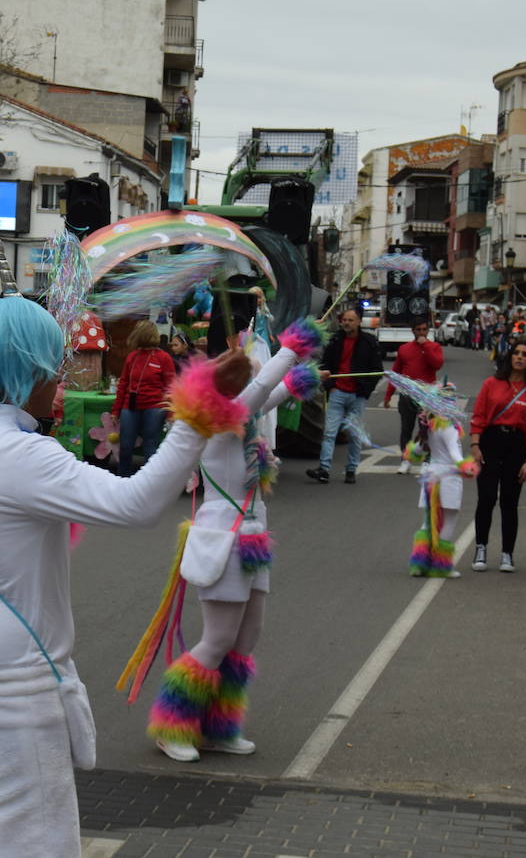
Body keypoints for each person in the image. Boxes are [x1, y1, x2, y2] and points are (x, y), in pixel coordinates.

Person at [0, 296, 250, 858]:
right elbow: (138, 503)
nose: (61, 378)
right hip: (11, 694)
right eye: (55, 364)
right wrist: (196, 407)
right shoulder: (19, 454)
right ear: (26, 368)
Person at [145, 319, 324, 764]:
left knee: (246, 640)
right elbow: (259, 392)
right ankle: (173, 725)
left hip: (252, 539)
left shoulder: (244, 417)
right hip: (223, 538)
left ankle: (220, 726)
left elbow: (268, 397)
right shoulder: (217, 422)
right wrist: (290, 351)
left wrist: (298, 378)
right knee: (217, 639)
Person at [469, 339, 526, 573]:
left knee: (510, 501)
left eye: (525, 354)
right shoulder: (491, 384)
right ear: (510, 357)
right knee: (487, 497)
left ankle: (507, 554)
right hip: (491, 442)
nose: (520, 357)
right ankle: (480, 547)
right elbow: (479, 415)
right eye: (516, 353)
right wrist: (475, 445)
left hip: (516, 446)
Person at [403, 388, 477, 578]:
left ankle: (419, 564)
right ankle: (440, 566)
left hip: (431, 475)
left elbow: (416, 451)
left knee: (428, 520)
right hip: (448, 477)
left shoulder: (429, 427)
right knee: (449, 520)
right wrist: (467, 466)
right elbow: (455, 455)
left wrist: (409, 453)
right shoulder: (449, 427)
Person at [307, 307, 381, 484]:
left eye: (350, 320)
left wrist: (365, 390)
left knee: (354, 435)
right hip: (337, 392)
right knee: (329, 433)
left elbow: (377, 370)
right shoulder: (335, 340)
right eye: (344, 320)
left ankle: (351, 469)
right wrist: (330, 386)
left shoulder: (369, 342)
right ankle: (324, 469)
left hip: (357, 395)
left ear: (359, 322)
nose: (346, 323)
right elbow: (324, 364)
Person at [111, 321, 176, 476]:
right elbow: (123, 384)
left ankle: (149, 481)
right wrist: (116, 410)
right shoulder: (132, 357)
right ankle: (123, 479)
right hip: (131, 406)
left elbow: (171, 387)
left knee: (150, 446)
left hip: (154, 407)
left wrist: (171, 413)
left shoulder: (164, 358)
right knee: (126, 446)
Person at [383, 318, 444, 473]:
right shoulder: (404, 349)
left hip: (427, 394)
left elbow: (437, 364)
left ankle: (427, 461)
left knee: (426, 430)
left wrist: (426, 346)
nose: (421, 333)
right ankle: (406, 460)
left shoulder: (434, 346)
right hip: (407, 394)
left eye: (424, 329)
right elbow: (396, 373)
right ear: (413, 331)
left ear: (428, 330)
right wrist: (388, 395)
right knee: (406, 429)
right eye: (418, 330)